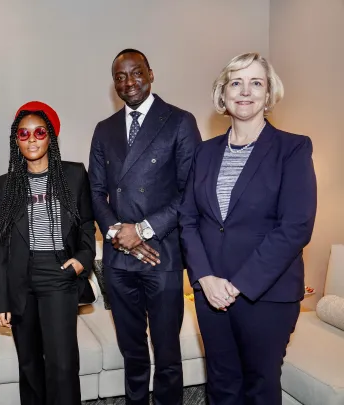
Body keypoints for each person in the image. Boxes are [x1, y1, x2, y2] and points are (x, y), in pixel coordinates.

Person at [179, 52, 317, 405]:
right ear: (222, 94)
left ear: (268, 94)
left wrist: (239, 284)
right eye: (236, 82)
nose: (245, 91)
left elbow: (296, 227)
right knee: (221, 385)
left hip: (267, 294)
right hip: (210, 294)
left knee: (260, 386)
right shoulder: (204, 153)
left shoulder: (292, 148)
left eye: (256, 82)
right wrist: (205, 278)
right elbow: (189, 219)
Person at [88, 49, 201, 405]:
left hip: (162, 255)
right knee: (132, 351)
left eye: (136, 73)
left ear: (151, 74)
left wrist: (144, 230)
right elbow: (95, 191)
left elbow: (190, 190)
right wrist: (119, 235)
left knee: (167, 353)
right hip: (119, 261)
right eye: (120, 77)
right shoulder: (104, 129)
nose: (129, 82)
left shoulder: (180, 121)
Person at [0, 101, 96, 405]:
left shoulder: (74, 175)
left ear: (50, 136)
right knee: (30, 365)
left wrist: (83, 260)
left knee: (62, 365)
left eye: (39, 132)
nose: (32, 139)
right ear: (16, 140)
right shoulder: (6, 185)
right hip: (21, 278)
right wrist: (0, 298)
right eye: (24, 134)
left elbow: (88, 223)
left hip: (59, 274)